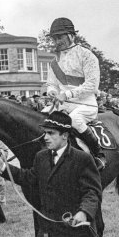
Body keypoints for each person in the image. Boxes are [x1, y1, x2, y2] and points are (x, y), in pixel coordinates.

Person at [46, 17, 106, 170]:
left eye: (60, 37)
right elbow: (51, 84)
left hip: (86, 103)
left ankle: (98, 155)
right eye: (54, 38)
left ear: (71, 35)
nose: (57, 41)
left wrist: (66, 95)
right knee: (41, 118)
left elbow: (92, 85)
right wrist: (52, 92)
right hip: (62, 105)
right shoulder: (54, 62)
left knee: (74, 119)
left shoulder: (87, 55)